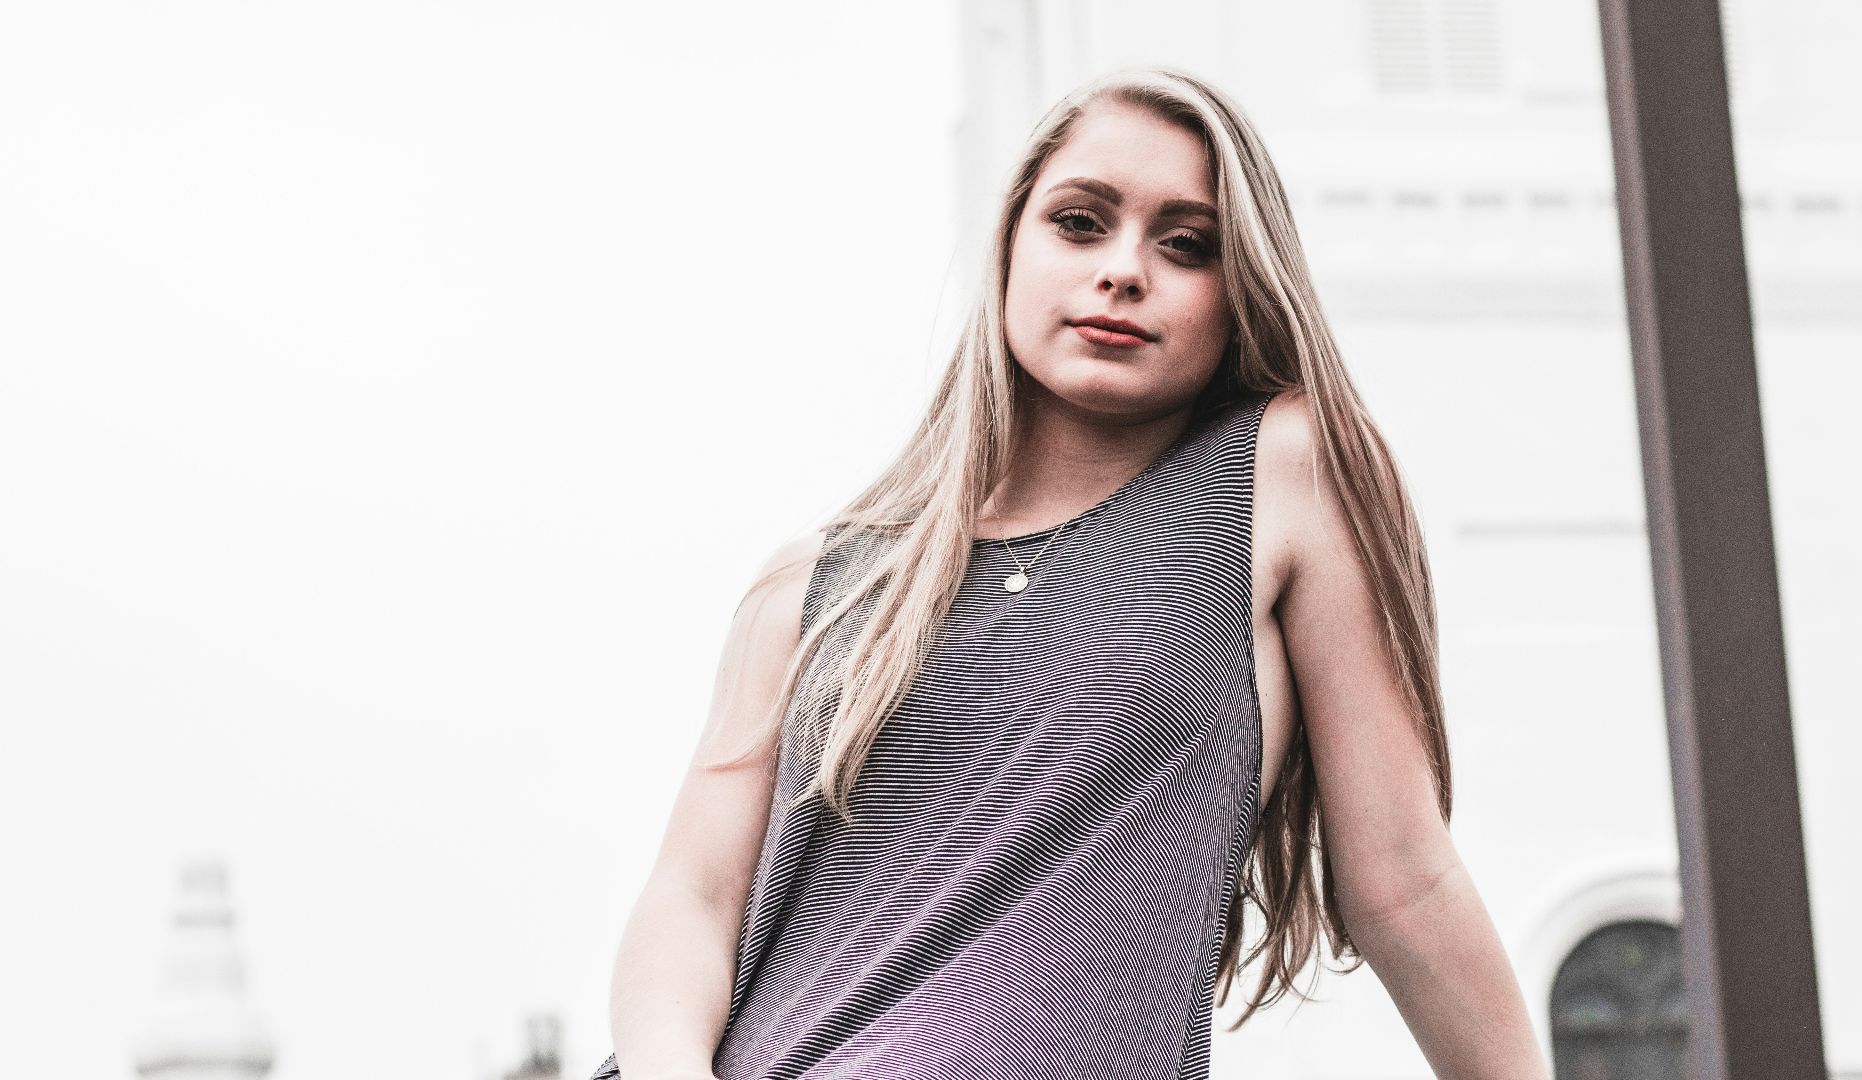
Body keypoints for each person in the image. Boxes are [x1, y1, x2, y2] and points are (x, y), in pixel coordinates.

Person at [596, 66, 1550, 1080]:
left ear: (1242, 293)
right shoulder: (816, 586)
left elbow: (1404, 882)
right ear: (1010, 245)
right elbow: (692, 901)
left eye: (1186, 245)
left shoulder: (1290, 474)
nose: (1125, 270)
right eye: (1081, 222)